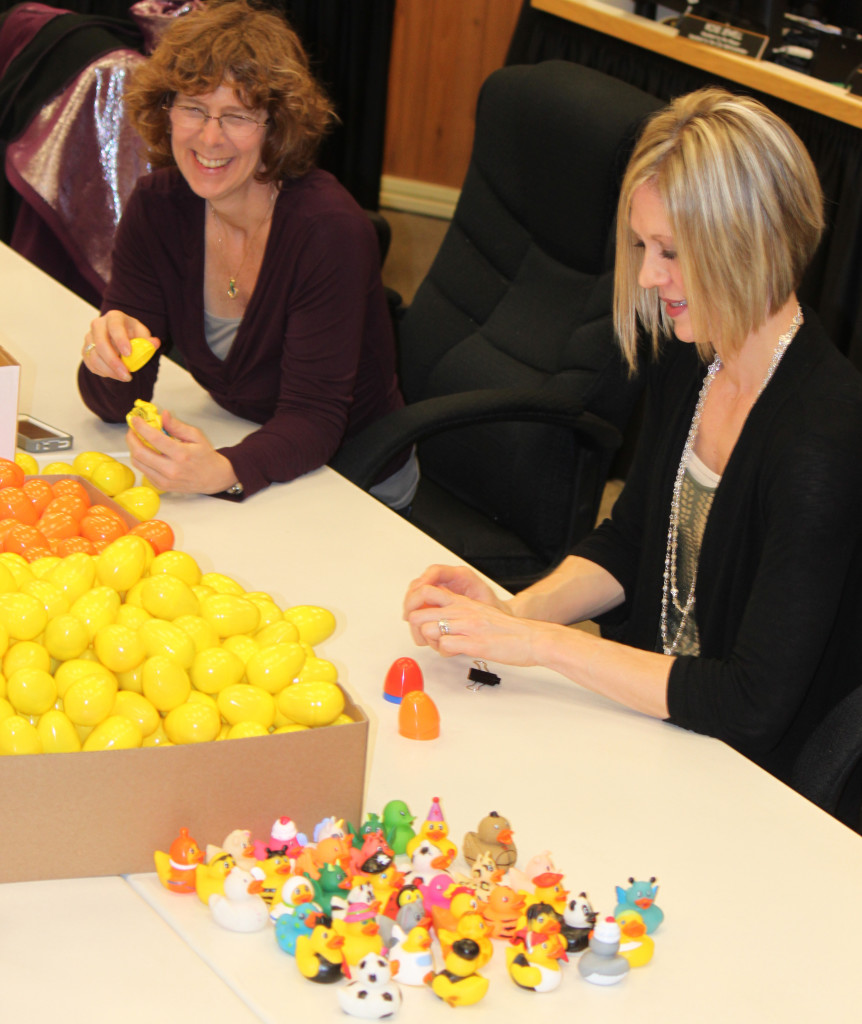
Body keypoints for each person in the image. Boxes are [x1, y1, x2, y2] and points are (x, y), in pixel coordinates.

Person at [403, 88, 862, 784]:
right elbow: (633, 538)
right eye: (644, 246)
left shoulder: (821, 439)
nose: (649, 276)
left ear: (750, 245)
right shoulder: (695, 353)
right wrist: (513, 612)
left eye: (672, 251)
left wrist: (541, 644)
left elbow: (749, 705)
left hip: (751, 773)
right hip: (654, 721)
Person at [78, 0, 415, 507]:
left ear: (276, 127)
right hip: (245, 442)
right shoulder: (158, 207)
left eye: (237, 115)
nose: (210, 137)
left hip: (350, 479)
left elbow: (316, 420)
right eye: (193, 107)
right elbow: (112, 405)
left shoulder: (328, 230)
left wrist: (225, 469)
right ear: (165, 110)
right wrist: (106, 362)